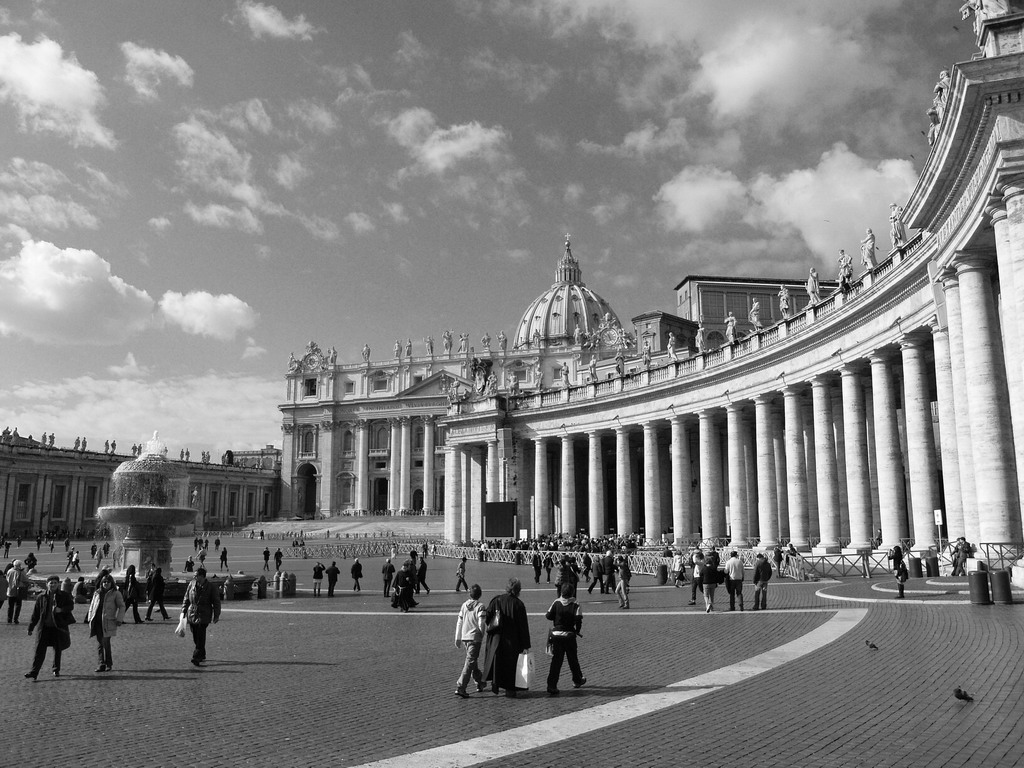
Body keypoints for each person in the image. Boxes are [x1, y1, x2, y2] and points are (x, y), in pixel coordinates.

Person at [482, 577, 531, 698]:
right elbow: (523, 626)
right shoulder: (519, 604)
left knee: (497, 663)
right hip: (513, 640)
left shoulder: (497, 600)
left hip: (497, 638)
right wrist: (526, 645)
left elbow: (487, 618)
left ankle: (496, 685)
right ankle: (510, 689)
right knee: (511, 665)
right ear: (518, 590)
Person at [25, 574, 75, 679]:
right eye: (51, 583)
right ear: (47, 584)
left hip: (58, 626)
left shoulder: (64, 595)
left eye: (55, 583)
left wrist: (61, 610)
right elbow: (36, 613)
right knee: (39, 649)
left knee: (57, 649)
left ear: (58, 584)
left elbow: (70, 606)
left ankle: (56, 669)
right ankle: (34, 672)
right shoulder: (41, 597)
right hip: (44, 627)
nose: (53, 585)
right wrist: (31, 627)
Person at [545, 583, 586, 696]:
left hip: (556, 635)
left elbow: (548, 615)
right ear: (572, 592)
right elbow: (578, 619)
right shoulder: (576, 604)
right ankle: (577, 680)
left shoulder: (556, 602)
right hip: (569, 635)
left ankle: (551, 685)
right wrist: (577, 630)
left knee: (556, 662)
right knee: (573, 659)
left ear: (561, 592)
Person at [181, 567, 221, 667]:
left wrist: (216, 615)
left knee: (200, 636)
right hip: (192, 613)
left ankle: (196, 657)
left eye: (196, 575)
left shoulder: (211, 587)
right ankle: (202, 653)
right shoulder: (191, 584)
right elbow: (186, 598)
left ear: (202, 576)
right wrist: (183, 611)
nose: (194, 577)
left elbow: (216, 602)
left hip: (204, 614)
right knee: (195, 636)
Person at [86, 572, 125, 673]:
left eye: (108, 582)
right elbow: (92, 606)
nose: (106, 583)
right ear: (101, 583)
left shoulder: (116, 593)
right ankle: (101, 664)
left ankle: (108, 663)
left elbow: (122, 606)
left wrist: (119, 619)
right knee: (100, 643)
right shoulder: (97, 593)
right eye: (104, 582)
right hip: (97, 620)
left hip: (108, 621)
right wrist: (90, 617)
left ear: (112, 583)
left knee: (106, 642)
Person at [453, 584, 487, 698]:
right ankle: (461, 686)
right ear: (480, 594)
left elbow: (459, 622)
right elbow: (481, 622)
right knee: (470, 662)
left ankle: (480, 682)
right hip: (474, 637)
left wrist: (457, 637)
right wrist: (482, 633)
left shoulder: (464, 605)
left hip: (465, 637)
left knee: (472, 661)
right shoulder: (480, 606)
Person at [6, 559, 27, 624]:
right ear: (19, 565)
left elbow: (7, 579)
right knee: (18, 606)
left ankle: (9, 619)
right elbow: (26, 580)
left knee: (10, 606)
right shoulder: (21, 572)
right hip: (18, 591)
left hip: (10, 591)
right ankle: (16, 619)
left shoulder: (9, 571)